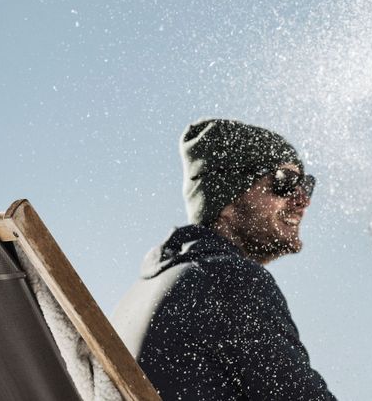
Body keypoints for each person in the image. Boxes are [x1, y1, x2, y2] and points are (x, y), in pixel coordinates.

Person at [111, 119, 335, 400]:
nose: (303, 200)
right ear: (226, 199)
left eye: (306, 185)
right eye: (284, 182)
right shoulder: (228, 279)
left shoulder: (143, 293)